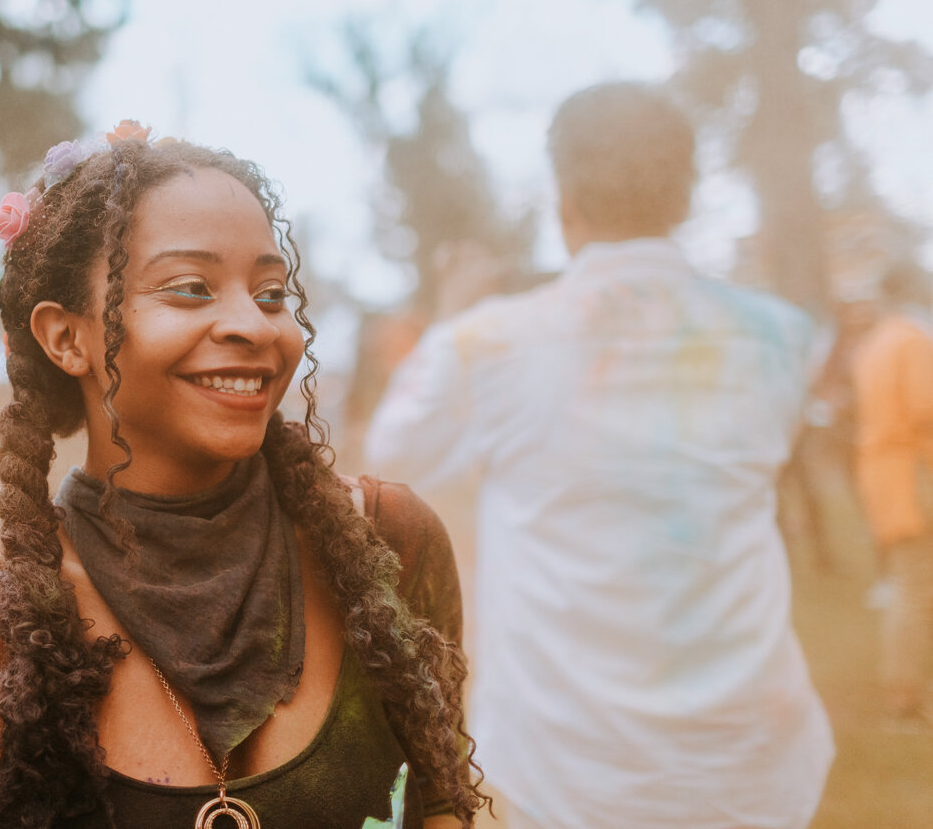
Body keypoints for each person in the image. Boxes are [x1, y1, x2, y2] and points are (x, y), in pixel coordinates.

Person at [0, 126, 484, 829]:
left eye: (273, 293)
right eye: (191, 289)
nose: (253, 324)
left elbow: (444, 810)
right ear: (68, 338)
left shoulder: (386, 551)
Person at [366, 82, 834, 829]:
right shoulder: (780, 339)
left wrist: (452, 311)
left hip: (569, 766)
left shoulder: (490, 344)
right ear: (684, 197)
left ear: (564, 198)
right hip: (750, 758)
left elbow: (397, 456)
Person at [851, 258, 933, 723]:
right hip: (914, 473)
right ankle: (905, 698)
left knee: (914, 579)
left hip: (882, 473)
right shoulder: (914, 340)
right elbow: (926, 409)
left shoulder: (876, 343)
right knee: (914, 584)